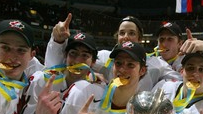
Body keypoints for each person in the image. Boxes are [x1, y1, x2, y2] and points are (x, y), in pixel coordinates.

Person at [44, 13, 182, 92]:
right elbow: (64, 65)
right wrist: (58, 41)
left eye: (132, 33)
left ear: (140, 39)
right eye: (122, 33)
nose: (126, 36)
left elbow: (183, 81)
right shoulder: (103, 58)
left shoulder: (156, 64)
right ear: (117, 37)